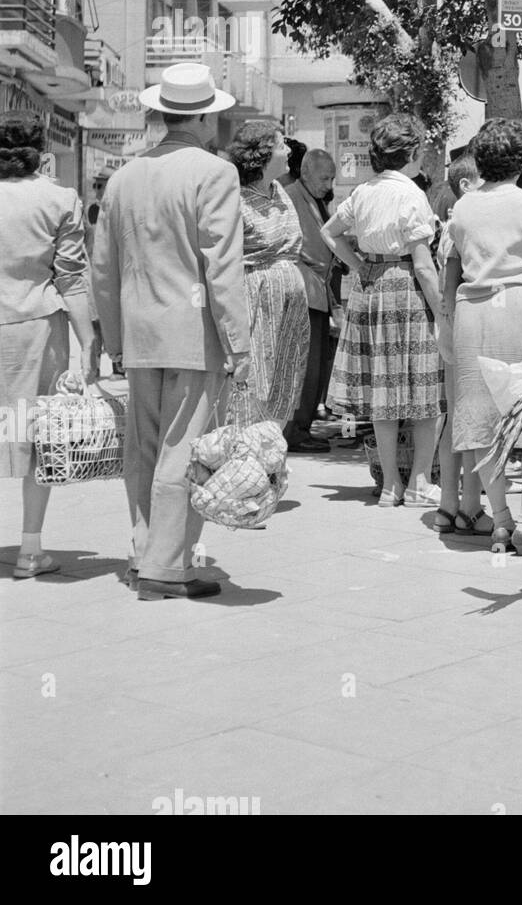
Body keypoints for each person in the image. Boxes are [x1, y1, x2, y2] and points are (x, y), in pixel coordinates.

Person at [92, 63, 251, 601]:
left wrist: (111, 338)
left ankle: (144, 553)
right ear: (204, 117)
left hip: (139, 333)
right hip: (193, 331)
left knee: (144, 449)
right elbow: (222, 264)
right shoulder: (214, 172)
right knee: (183, 450)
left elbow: (103, 270)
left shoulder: (123, 176)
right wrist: (240, 341)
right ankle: (166, 565)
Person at [444, 120, 522, 553]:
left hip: (473, 312)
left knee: (480, 416)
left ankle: (500, 520)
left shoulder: (465, 207)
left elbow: (451, 265)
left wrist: (445, 317)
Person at [321, 113, 441, 507]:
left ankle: (391, 484)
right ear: (412, 152)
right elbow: (423, 264)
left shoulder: (364, 191)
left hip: (370, 288)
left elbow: (329, 233)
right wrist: (443, 312)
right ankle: (422, 481)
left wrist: (357, 266)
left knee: (383, 393)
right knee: (426, 388)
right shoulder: (411, 195)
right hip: (406, 287)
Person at [0, 113, 97, 579]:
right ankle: (30, 550)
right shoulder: (59, 198)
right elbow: (72, 278)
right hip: (36, 334)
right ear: (40, 151)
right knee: (35, 438)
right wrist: (91, 340)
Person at [228, 121, 310, 433]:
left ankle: (271, 446)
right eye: (280, 145)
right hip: (257, 297)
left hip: (289, 300)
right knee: (258, 375)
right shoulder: (238, 199)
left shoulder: (279, 191)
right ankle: (248, 448)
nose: (288, 150)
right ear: (262, 154)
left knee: (286, 376)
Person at [429, 151, 485, 533]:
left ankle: (449, 505)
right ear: (466, 185)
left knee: (455, 417)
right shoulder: (464, 226)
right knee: (477, 418)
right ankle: (470, 506)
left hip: (450, 330)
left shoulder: (450, 226)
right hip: (466, 327)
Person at [283, 149, 338, 453]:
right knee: (305, 365)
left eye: (331, 178)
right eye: (324, 177)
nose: (328, 184)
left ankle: (302, 427)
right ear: (305, 173)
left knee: (315, 364)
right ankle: (294, 430)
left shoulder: (312, 198)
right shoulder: (291, 195)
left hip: (316, 287)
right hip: (303, 285)